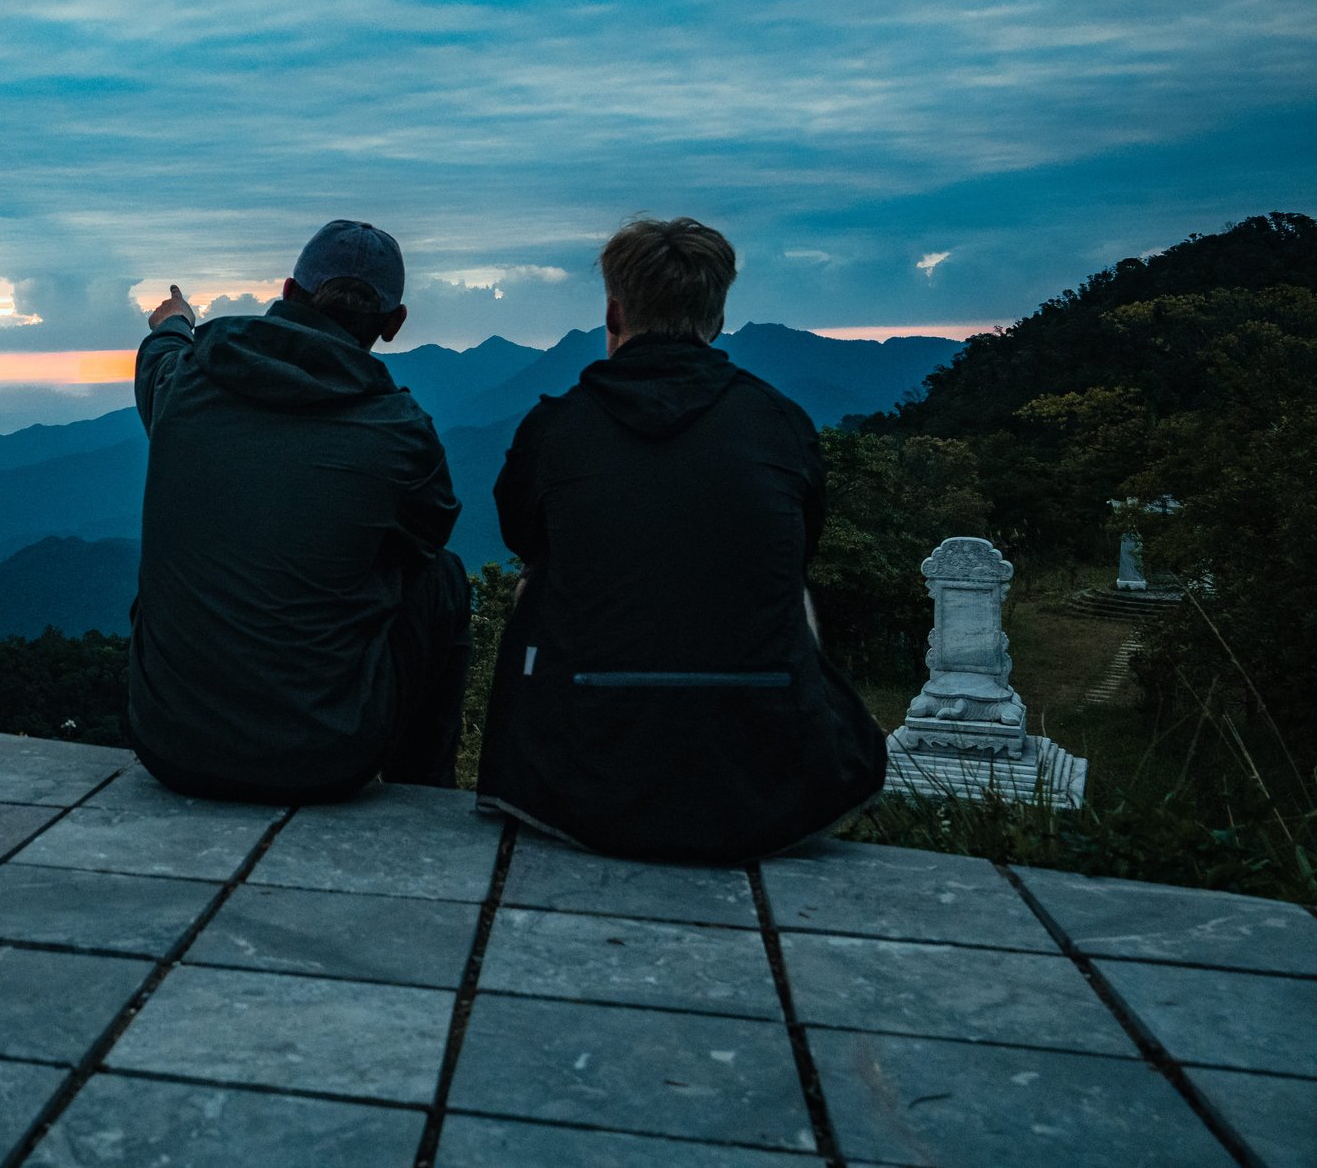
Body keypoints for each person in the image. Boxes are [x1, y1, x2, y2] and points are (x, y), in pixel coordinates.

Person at [473, 216, 886, 863]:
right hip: (764, 787)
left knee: (538, 569)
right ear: (717, 317)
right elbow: (799, 548)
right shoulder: (780, 424)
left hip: (580, 779)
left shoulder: (556, 428)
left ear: (613, 311)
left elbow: (521, 536)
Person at [125, 219, 472, 804]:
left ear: (287, 293)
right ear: (393, 325)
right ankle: (427, 797)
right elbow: (419, 546)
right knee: (442, 579)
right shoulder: (401, 432)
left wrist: (177, 319)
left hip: (169, 746)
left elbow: (160, 354)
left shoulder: (187, 385)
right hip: (326, 757)